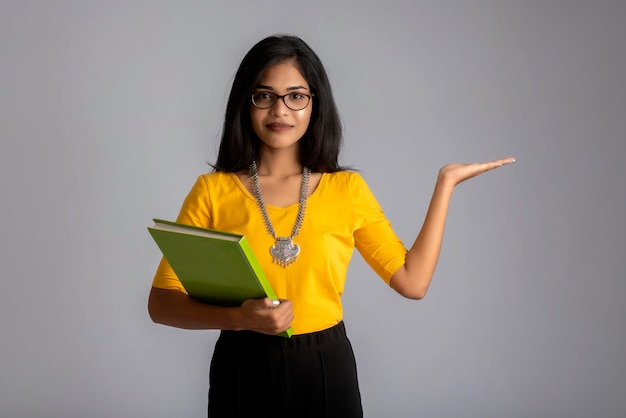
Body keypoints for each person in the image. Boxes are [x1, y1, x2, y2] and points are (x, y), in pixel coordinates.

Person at [148, 34, 515, 418]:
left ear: (314, 104)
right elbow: (161, 303)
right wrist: (238, 318)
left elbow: (412, 281)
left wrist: (445, 185)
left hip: (325, 365)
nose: (281, 110)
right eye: (264, 95)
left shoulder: (346, 190)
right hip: (243, 364)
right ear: (245, 102)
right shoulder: (212, 191)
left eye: (296, 96)